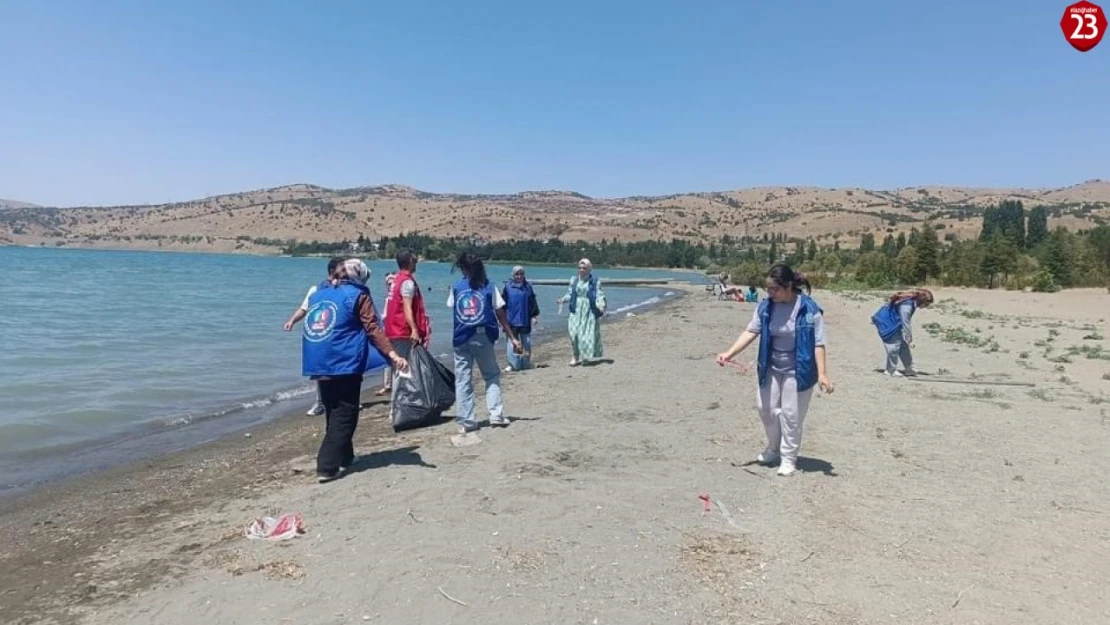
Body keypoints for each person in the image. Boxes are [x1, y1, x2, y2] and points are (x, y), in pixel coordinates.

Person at [716, 264, 834, 477]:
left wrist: (823, 374)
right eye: (768, 288)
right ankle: (773, 448)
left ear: (788, 286)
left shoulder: (809, 309)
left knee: (791, 415)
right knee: (766, 409)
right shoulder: (765, 307)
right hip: (770, 366)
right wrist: (729, 353)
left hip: (799, 370)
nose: (769, 293)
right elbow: (751, 330)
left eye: (774, 289)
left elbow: (819, 342)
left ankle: (789, 458)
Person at [302, 259, 407, 483]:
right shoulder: (358, 295)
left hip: (318, 358)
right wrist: (392, 354)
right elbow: (373, 328)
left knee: (333, 409)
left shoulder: (319, 294)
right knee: (346, 413)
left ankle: (346, 457)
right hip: (343, 360)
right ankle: (327, 466)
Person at [448, 253, 523, 433]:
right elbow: (501, 314)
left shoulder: (457, 287)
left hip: (461, 338)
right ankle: (496, 415)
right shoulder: (489, 287)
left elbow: (452, 305)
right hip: (483, 337)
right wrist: (512, 337)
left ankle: (467, 421)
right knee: (491, 375)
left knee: (463, 380)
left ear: (463, 268)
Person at [284, 257, 345, 416]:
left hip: (338, 335)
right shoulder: (316, 289)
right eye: (342, 269)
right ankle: (320, 403)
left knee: (340, 368)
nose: (346, 272)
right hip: (320, 334)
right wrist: (292, 321)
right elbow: (304, 309)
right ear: (333, 271)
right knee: (320, 370)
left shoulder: (345, 288)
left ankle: (343, 400)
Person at [384, 249, 431, 372]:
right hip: (403, 332)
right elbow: (407, 307)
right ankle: (404, 392)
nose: (416, 263)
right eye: (415, 260)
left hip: (393, 331)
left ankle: (399, 390)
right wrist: (414, 329)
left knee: (398, 369)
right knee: (405, 370)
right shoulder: (407, 282)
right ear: (410, 261)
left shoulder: (396, 280)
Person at [871, 288, 933, 377]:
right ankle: (890, 370)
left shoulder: (911, 302)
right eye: (926, 304)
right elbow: (905, 323)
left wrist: (907, 340)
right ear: (922, 301)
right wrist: (909, 339)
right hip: (887, 323)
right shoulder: (906, 307)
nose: (927, 306)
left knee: (903, 346)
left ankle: (909, 368)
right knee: (893, 346)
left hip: (894, 323)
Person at [556, 258, 606, 366]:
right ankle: (575, 355)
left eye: (584, 268)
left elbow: (599, 294)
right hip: (576, 309)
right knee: (574, 334)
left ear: (589, 269)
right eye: (579, 268)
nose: (581, 270)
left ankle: (584, 357)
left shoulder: (595, 281)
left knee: (585, 335)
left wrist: (601, 305)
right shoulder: (574, 280)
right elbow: (570, 294)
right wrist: (563, 299)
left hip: (589, 310)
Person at [501, 265, 540, 372]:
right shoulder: (507, 287)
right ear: (513, 275)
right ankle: (513, 364)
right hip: (511, 320)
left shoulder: (528, 287)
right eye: (517, 274)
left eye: (521, 274)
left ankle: (526, 363)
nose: (519, 276)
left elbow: (533, 303)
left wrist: (534, 316)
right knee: (512, 343)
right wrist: (501, 320)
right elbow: (502, 305)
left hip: (525, 319)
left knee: (526, 342)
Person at [376, 272, 398, 396]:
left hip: (394, 331)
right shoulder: (388, 297)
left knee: (391, 356)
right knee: (388, 357)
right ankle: (388, 385)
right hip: (388, 330)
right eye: (387, 283)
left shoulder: (393, 297)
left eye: (391, 283)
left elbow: (385, 315)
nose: (389, 285)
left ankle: (390, 385)